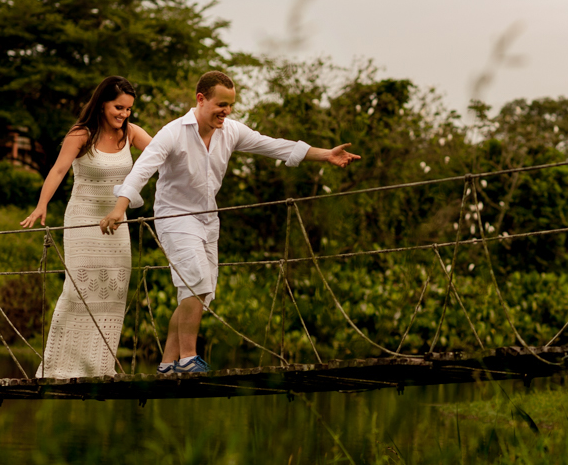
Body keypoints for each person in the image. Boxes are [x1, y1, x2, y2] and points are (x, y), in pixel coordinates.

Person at [100, 71, 360, 374]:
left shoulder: (231, 131)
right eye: (221, 104)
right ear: (201, 99)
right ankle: (187, 360)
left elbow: (274, 145)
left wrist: (325, 155)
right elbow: (142, 170)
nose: (226, 111)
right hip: (174, 217)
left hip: (208, 220)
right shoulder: (173, 133)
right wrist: (119, 209)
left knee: (199, 293)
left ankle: (167, 364)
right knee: (195, 280)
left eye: (230, 105)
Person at [20, 76, 153, 378]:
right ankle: (58, 368)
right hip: (83, 219)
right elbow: (58, 170)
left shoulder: (131, 133)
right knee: (78, 290)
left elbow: (162, 152)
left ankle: (99, 367)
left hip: (117, 222)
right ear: (103, 103)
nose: (124, 114)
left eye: (129, 109)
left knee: (114, 290)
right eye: (119, 107)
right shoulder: (82, 134)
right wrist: (41, 205)